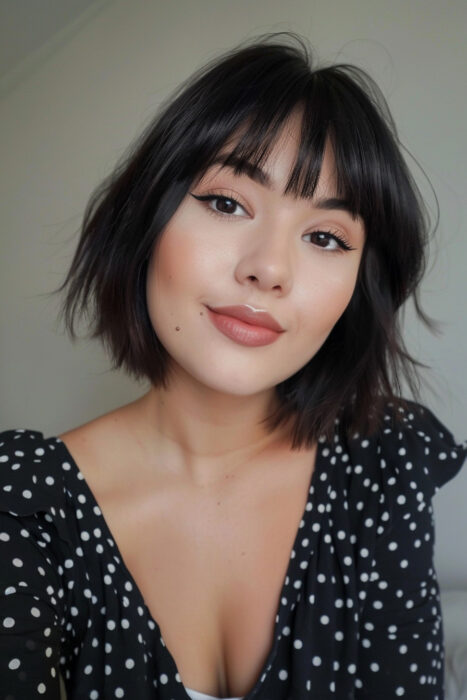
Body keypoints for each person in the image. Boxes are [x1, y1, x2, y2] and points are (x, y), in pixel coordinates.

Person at [0, 32, 465, 700]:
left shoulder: (381, 463)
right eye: (225, 203)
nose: (268, 268)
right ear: (147, 217)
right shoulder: (23, 504)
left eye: (325, 237)